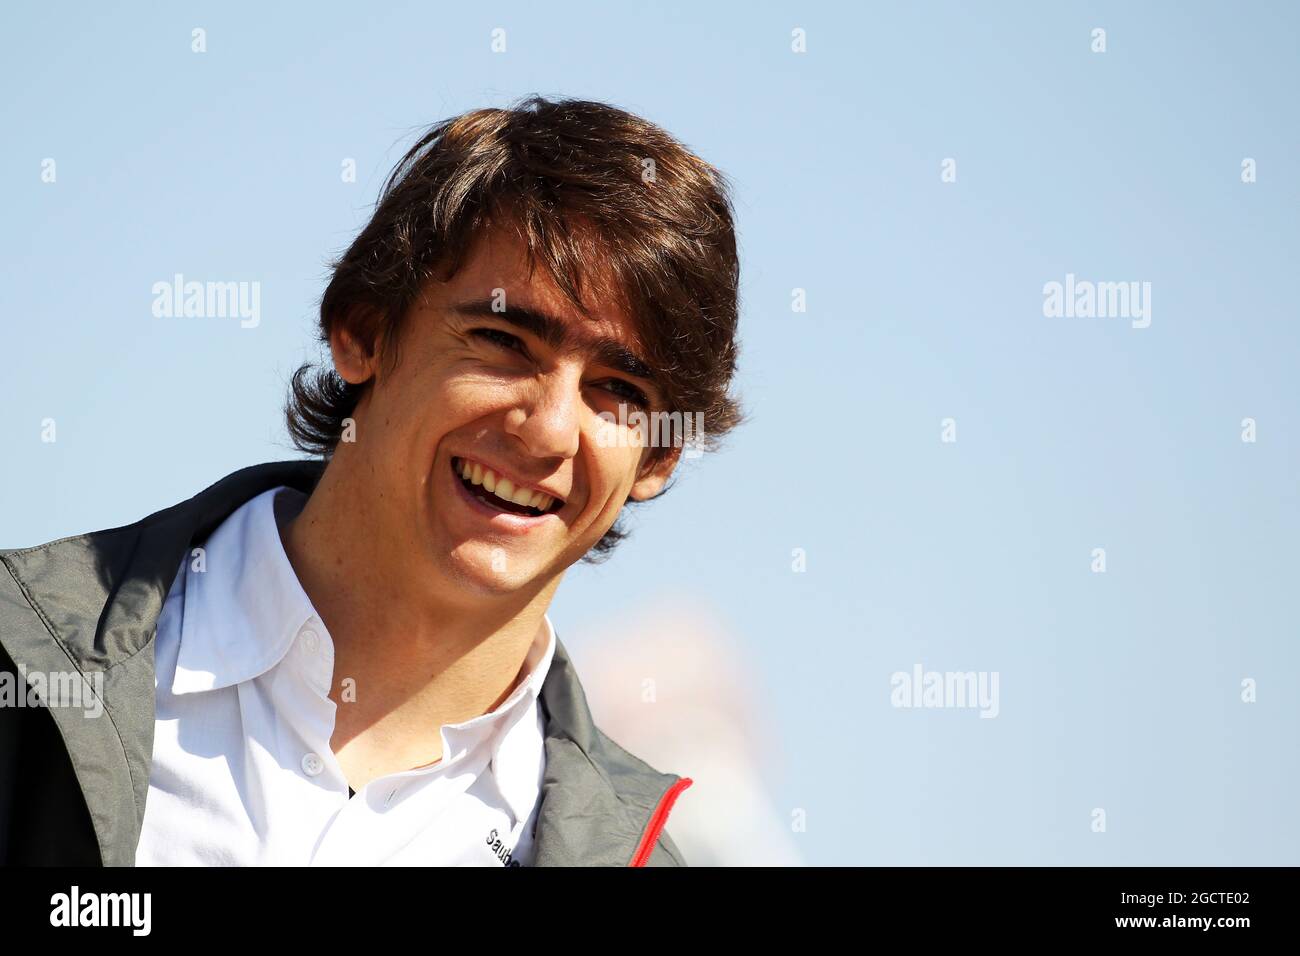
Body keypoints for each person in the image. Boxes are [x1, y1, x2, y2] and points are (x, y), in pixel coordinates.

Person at [0, 95, 745, 866]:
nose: (550, 429)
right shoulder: (22, 664)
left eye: (619, 392)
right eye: (504, 341)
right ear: (362, 330)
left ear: (657, 457)